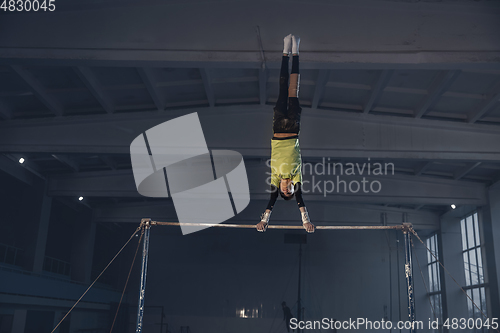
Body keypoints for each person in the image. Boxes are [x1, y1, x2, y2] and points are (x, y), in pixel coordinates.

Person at [256, 34, 314, 233]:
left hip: (279, 127)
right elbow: (300, 199)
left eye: (284, 191)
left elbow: (271, 200)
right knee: (293, 88)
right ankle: (296, 50)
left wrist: (264, 220)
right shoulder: (295, 175)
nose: (286, 188)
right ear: (292, 187)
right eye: (290, 190)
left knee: (282, 87)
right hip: (293, 129)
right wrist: (305, 221)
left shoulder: (275, 177)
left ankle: (284, 51)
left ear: (280, 188)